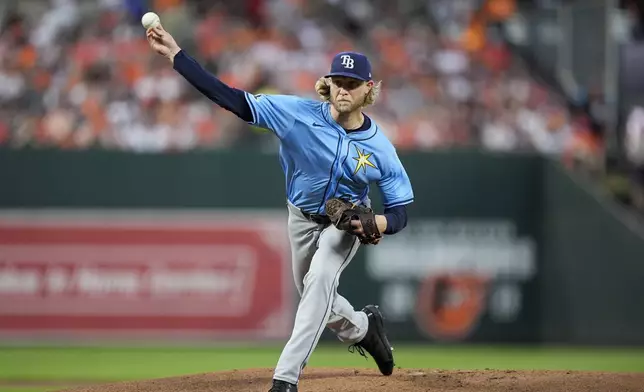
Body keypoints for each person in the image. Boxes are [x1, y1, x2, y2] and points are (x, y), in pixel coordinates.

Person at [145, 24, 414, 392]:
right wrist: (177, 55)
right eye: (337, 81)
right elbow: (230, 98)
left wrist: (375, 223)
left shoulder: (381, 147)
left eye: (352, 83)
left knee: (319, 280)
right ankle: (366, 329)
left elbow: (400, 210)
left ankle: (285, 379)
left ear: (369, 89)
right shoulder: (295, 113)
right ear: (328, 83)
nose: (343, 89)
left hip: (343, 223)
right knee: (316, 298)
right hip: (300, 219)